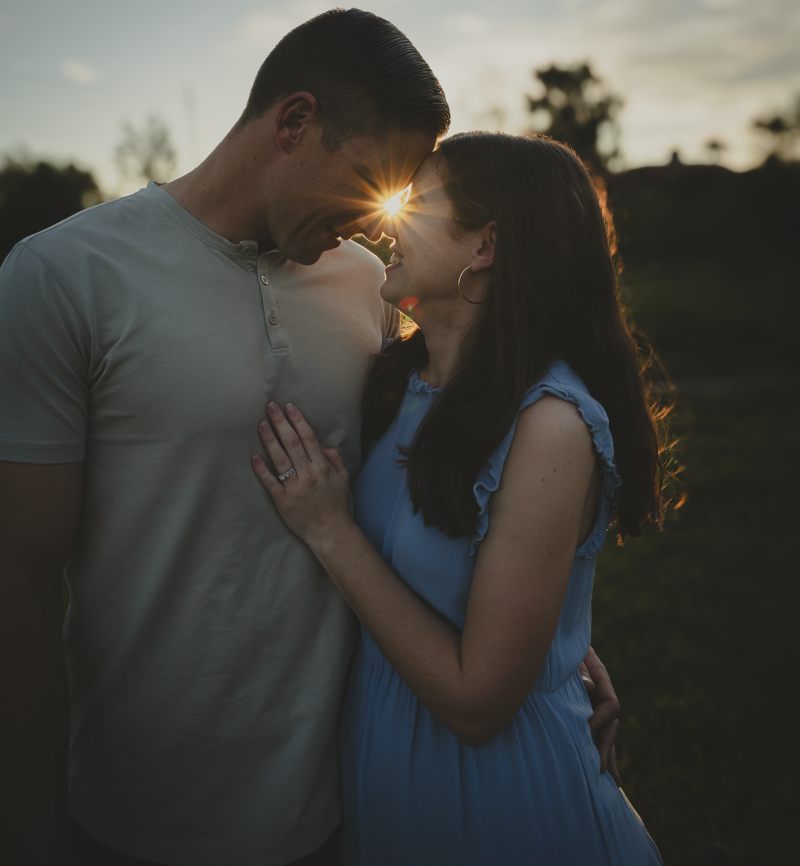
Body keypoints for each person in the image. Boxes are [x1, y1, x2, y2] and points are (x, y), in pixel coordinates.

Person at [0, 10, 619, 866]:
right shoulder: (64, 277)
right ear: (293, 123)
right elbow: (20, 582)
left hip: (343, 804)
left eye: (403, 196)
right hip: (133, 813)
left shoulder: (372, 288)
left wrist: (555, 645)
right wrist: (29, 827)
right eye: (370, 180)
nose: (376, 221)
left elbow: (473, 475)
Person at [251, 132, 665, 865]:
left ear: (486, 246)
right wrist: (559, 637)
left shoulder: (549, 426)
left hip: (500, 802)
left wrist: (329, 531)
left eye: (419, 204)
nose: (389, 222)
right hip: (392, 781)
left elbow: (478, 704)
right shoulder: (399, 384)